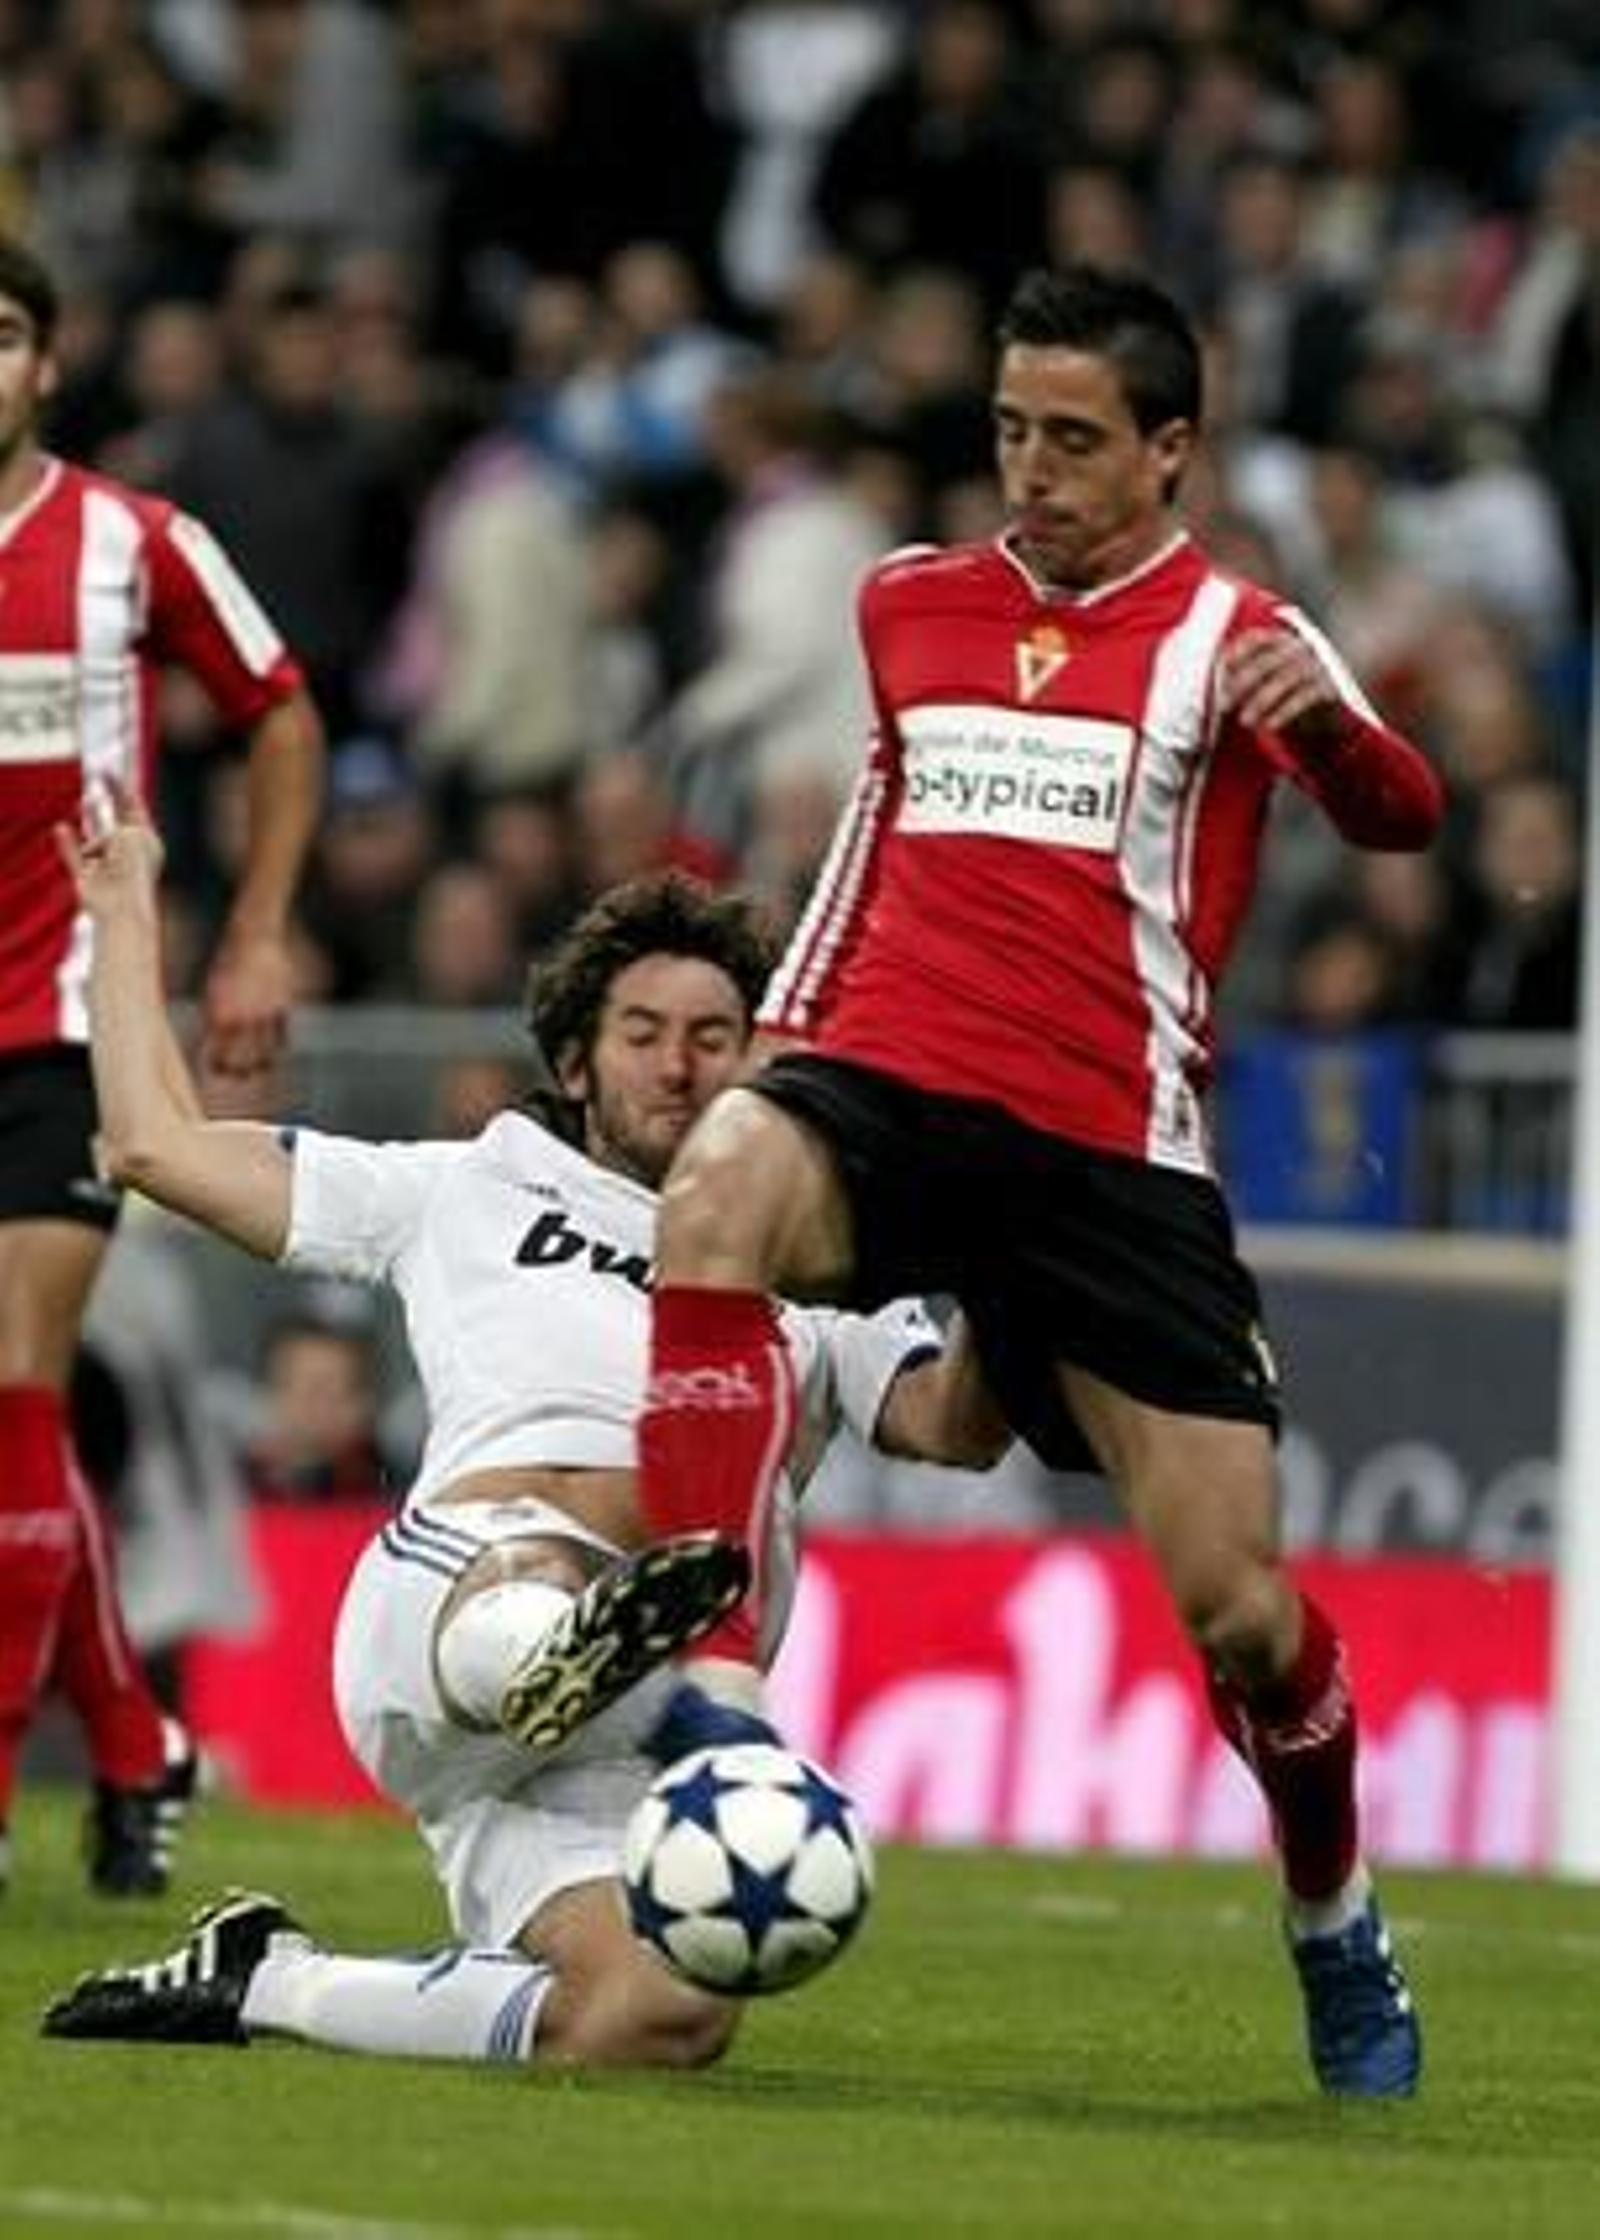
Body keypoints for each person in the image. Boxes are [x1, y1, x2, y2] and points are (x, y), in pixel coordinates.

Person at [612, 263, 1445, 2099]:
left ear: (1171, 452)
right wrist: (775, 1052)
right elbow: (866, 845)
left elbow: (1407, 819)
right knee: (715, 1199)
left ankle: (1334, 1916)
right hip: (892, 1081)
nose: (1035, 472)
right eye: (1011, 431)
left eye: (1076, 440)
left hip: (1106, 1160)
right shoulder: (910, 604)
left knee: (1243, 1615)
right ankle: (717, 1687)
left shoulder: (1233, 631)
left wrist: (1321, 721)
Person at [42, 822, 1005, 2069]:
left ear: (763, 1066)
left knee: (660, 2019)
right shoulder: (465, 1186)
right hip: (453, 1599)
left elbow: (955, 1424)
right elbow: (153, 1147)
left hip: (566, 1764)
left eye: (715, 1039)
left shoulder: (820, 1270)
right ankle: (564, 1649)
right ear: (576, 1061)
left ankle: (267, 1981)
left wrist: (1010, 1250)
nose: (680, 1067)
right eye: (643, 1035)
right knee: (541, 1572)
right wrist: (121, 914)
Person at [0, 235, 325, 1898]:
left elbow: (278, 708)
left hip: (68, 1024)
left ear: (46, 364)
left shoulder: (135, 547)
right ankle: (136, 1740)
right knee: (15, 1432)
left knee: (15, 1386)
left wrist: (258, 933)